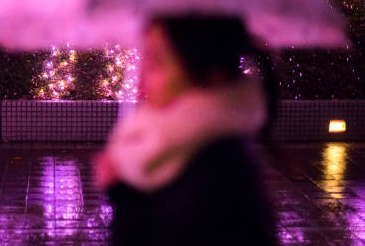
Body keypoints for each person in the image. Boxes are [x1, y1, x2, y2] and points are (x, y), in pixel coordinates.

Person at [94, 15, 277, 246]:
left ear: (211, 75)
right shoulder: (183, 144)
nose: (141, 78)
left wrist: (123, 197)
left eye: (157, 61)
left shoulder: (211, 171)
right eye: (145, 57)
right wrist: (121, 192)